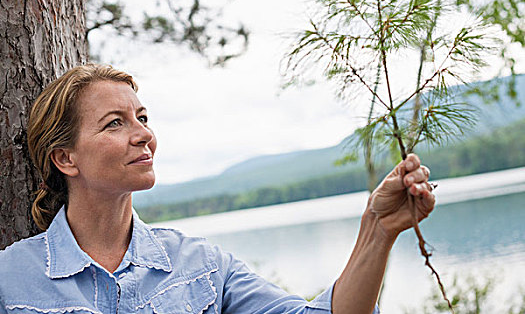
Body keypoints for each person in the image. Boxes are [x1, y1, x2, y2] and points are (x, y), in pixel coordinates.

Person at [0, 64, 435, 314]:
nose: (143, 135)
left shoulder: (203, 266)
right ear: (66, 158)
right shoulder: (11, 278)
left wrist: (377, 231)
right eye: (115, 123)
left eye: (143, 118)